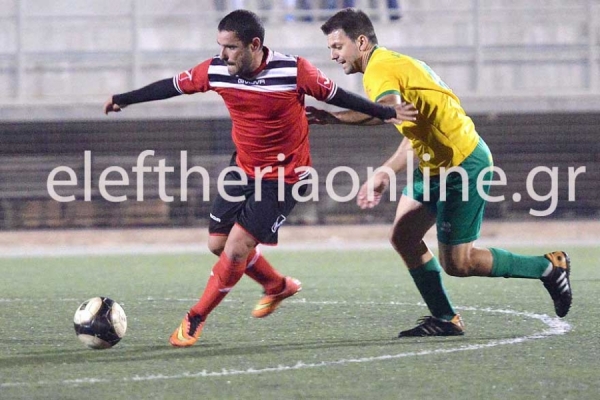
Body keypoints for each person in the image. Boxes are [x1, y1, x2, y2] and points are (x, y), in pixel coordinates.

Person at [104, 9, 417, 347]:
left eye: (231, 47)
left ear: (254, 45)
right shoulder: (216, 70)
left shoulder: (294, 70)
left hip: (285, 176)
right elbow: (172, 86)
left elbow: (338, 95)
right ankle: (276, 285)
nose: (223, 54)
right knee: (217, 245)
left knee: (238, 247)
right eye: (221, 46)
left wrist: (385, 111)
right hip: (242, 167)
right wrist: (124, 99)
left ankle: (196, 316)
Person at [307, 8, 572, 337]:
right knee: (404, 237)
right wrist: (387, 171)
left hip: (462, 164)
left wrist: (333, 117)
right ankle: (445, 319)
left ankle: (548, 266)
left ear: (361, 42)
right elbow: (412, 127)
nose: (333, 55)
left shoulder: (379, 69)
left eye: (337, 47)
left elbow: (386, 111)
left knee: (459, 263)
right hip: (434, 166)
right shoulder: (394, 64)